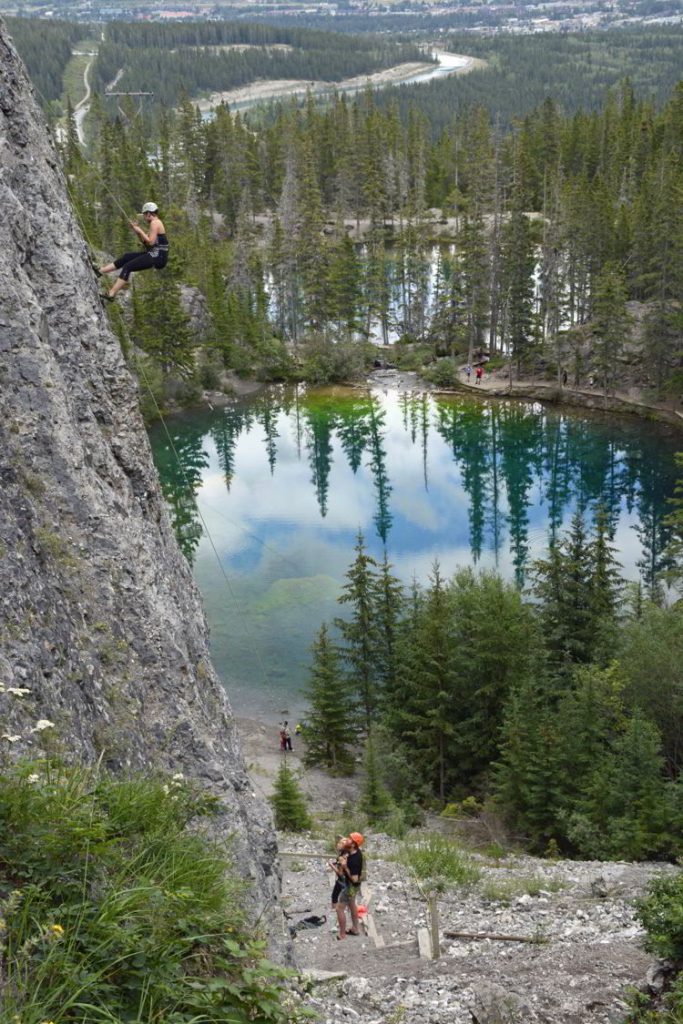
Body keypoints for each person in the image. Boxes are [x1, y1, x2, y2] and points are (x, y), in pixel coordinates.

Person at [97, 202, 169, 302]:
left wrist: (139, 230)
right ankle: (101, 271)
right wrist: (137, 232)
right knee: (127, 257)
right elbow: (146, 243)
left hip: (157, 257)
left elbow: (151, 242)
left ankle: (111, 293)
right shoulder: (155, 223)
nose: (144, 217)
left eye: (144, 215)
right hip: (155, 255)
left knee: (128, 267)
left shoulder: (155, 223)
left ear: (149, 213)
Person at [329, 832, 364, 939]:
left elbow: (354, 879)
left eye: (350, 839)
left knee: (339, 909)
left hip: (350, 886)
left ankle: (342, 934)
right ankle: (355, 929)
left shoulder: (354, 860)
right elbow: (343, 844)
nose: (347, 839)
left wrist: (345, 867)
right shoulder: (354, 851)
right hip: (354, 886)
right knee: (352, 905)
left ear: (353, 844)